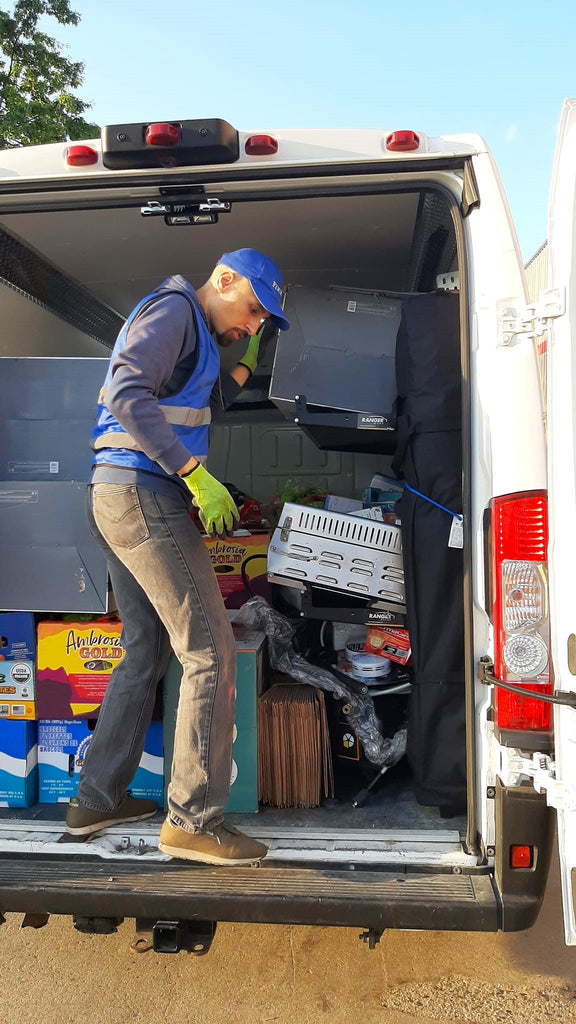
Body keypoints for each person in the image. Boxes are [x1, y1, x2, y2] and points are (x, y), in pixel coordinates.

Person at [65, 249, 290, 866]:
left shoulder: (202, 336)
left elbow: (203, 402)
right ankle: (194, 819)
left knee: (149, 647)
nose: (251, 324)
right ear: (223, 279)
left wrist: (248, 358)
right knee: (210, 650)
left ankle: (96, 797)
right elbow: (127, 390)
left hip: (122, 495)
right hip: (144, 495)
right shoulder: (174, 310)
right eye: (251, 309)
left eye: (261, 322)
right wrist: (194, 474)